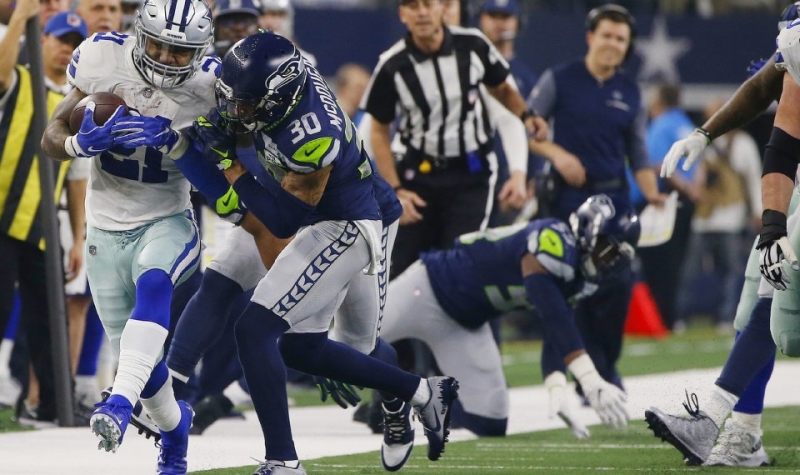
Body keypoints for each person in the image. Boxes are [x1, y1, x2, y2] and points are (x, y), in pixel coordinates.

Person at [121, 31, 461, 474]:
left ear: (278, 99)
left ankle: (399, 401)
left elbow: (282, 222)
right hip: (289, 199)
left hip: (347, 220)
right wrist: (189, 139)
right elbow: (259, 198)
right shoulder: (275, 84)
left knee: (350, 347)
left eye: (244, 104)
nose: (233, 112)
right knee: (257, 311)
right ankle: (183, 396)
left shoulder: (311, 136)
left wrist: (229, 164)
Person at [39, 0, 221, 471]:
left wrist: (180, 144)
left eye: (180, 52)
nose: (166, 58)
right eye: (157, 45)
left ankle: (118, 405)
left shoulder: (211, 87)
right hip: (104, 224)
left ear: (200, 51)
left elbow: (221, 182)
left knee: (155, 283)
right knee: (144, 362)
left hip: (167, 219)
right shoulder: (102, 56)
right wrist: (77, 143)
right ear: (139, 34)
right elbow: (51, 134)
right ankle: (175, 430)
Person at [646, 3, 797, 467]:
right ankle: (741, 431)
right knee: (759, 303)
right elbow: (780, 134)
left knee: (784, 313)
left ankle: (711, 419)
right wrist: (772, 225)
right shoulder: (794, 46)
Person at [380, 194, 635, 437]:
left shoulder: (579, 279)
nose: (608, 262)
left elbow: (558, 330)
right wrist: (588, 377)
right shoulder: (553, 238)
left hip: (465, 325)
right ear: (589, 229)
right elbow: (551, 310)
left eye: (616, 258)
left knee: (490, 419)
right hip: (426, 289)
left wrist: (557, 389)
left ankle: (417, 396)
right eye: (607, 251)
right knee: (357, 343)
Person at [527, 4, 665, 393]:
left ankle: (606, 368)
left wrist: (653, 196)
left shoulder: (630, 92)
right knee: (569, 286)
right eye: (607, 35)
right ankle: (582, 375)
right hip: (567, 199)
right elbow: (530, 131)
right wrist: (558, 155)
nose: (612, 44)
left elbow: (638, 154)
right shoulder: (559, 79)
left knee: (616, 288)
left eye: (621, 39)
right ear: (590, 37)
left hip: (613, 201)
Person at [363, 0, 546, 281]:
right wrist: (394, 188)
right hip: (417, 179)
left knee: (462, 267)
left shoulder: (473, 45)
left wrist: (526, 114)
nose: (422, 12)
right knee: (399, 270)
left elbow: (501, 87)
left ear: (442, 9)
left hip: (470, 177)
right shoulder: (393, 64)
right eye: (413, 6)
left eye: (428, 4)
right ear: (402, 14)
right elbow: (376, 129)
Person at [0, 2, 88, 427]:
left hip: (43, 227)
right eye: (60, 40)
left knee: (49, 319)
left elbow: (77, 179)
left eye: (74, 43)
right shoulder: (19, 78)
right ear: (43, 39)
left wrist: (77, 238)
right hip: (2, 218)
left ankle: (55, 404)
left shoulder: (78, 106)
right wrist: (20, 17)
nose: (65, 48)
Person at [676, 98, 762, 333]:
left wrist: (758, 210)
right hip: (704, 218)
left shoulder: (742, 144)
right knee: (691, 272)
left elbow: (753, 177)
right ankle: (681, 316)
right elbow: (693, 176)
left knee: (730, 272)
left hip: (730, 217)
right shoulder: (703, 143)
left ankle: (725, 316)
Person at [634, 83, 698, 332]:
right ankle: (672, 316)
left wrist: (683, 187)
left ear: (659, 100)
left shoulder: (661, 125)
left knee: (659, 262)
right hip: (686, 201)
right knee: (677, 262)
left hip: (663, 200)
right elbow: (701, 161)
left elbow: (658, 163)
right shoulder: (686, 124)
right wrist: (694, 189)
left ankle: (661, 317)